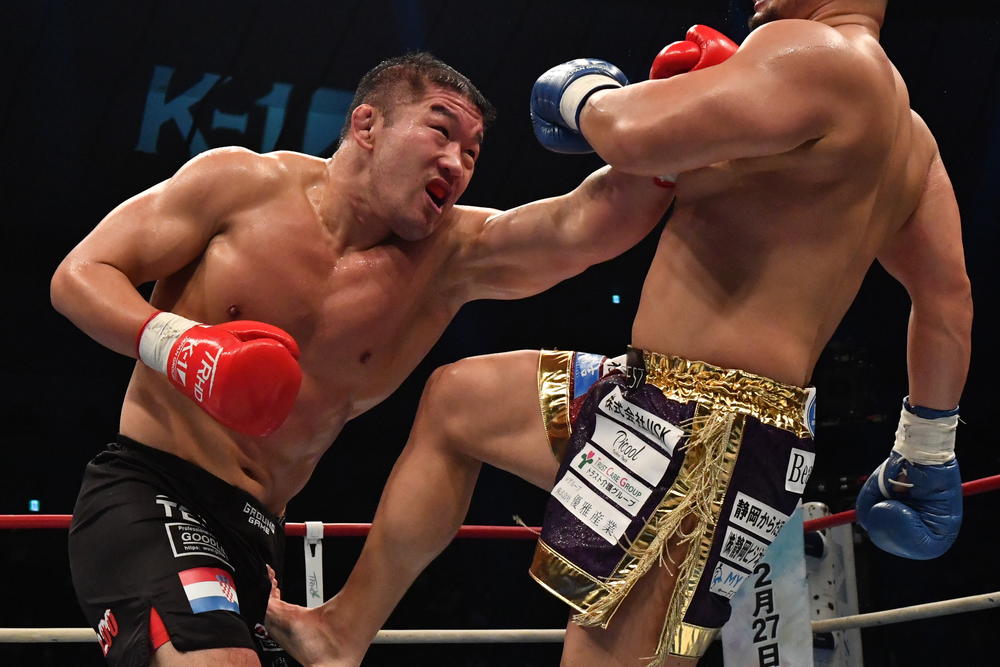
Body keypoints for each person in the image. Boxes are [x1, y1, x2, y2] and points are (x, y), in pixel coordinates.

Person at [264, 2, 972, 666]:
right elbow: (945, 301)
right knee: (458, 401)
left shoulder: (812, 53)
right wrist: (925, 451)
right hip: (649, 394)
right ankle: (339, 632)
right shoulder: (912, 141)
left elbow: (628, 133)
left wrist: (588, 92)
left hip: (711, 436)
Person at [50, 51, 676, 667]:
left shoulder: (452, 257)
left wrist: (667, 111)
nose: (456, 162)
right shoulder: (239, 185)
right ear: (367, 124)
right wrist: (182, 346)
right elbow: (81, 274)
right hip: (152, 489)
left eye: (471, 153)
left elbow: (585, 224)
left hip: (260, 534)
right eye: (441, 131)